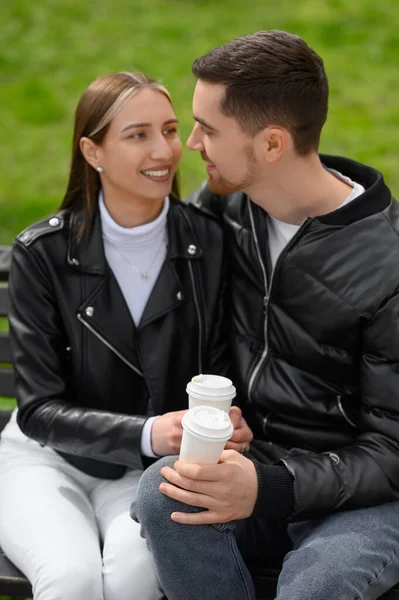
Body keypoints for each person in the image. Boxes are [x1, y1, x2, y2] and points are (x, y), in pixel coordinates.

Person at [134, 31, 399, 600]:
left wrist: (271, 487)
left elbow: (394, 450)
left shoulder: (389, 266)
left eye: (209, 128)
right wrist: (225, 415)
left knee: (320, 583)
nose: (192, 143)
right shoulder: (226, 207)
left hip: (365, 497)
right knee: (163, 493)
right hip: (256, 457)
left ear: (272, 143)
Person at [0, 71, 252, 600]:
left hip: (148, 471)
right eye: (137, 134)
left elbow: (220, 363)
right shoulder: (42, 253)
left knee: (135, 579)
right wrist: (150, 431)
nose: (163, 150)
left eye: (169, 129)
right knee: (72, 580)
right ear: (92, 151)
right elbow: (40, 410)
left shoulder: (207, 241)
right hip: (46, 457)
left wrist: (225, 418)